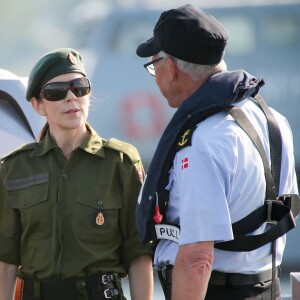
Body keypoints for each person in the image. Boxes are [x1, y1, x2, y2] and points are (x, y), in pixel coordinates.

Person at [135, 4, 299, 300]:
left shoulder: (202, 143)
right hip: (268, 288)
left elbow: (198, 260)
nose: (155, 74)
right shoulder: (274, 121)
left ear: (170, 68)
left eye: (153, 66)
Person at [0, 48, 153, 300]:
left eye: (79, 87)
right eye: (56, 93)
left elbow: (139, 253)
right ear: (38, 105)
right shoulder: (14, 168)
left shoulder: (121, 163)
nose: (71, 98)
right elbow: (5, 262)